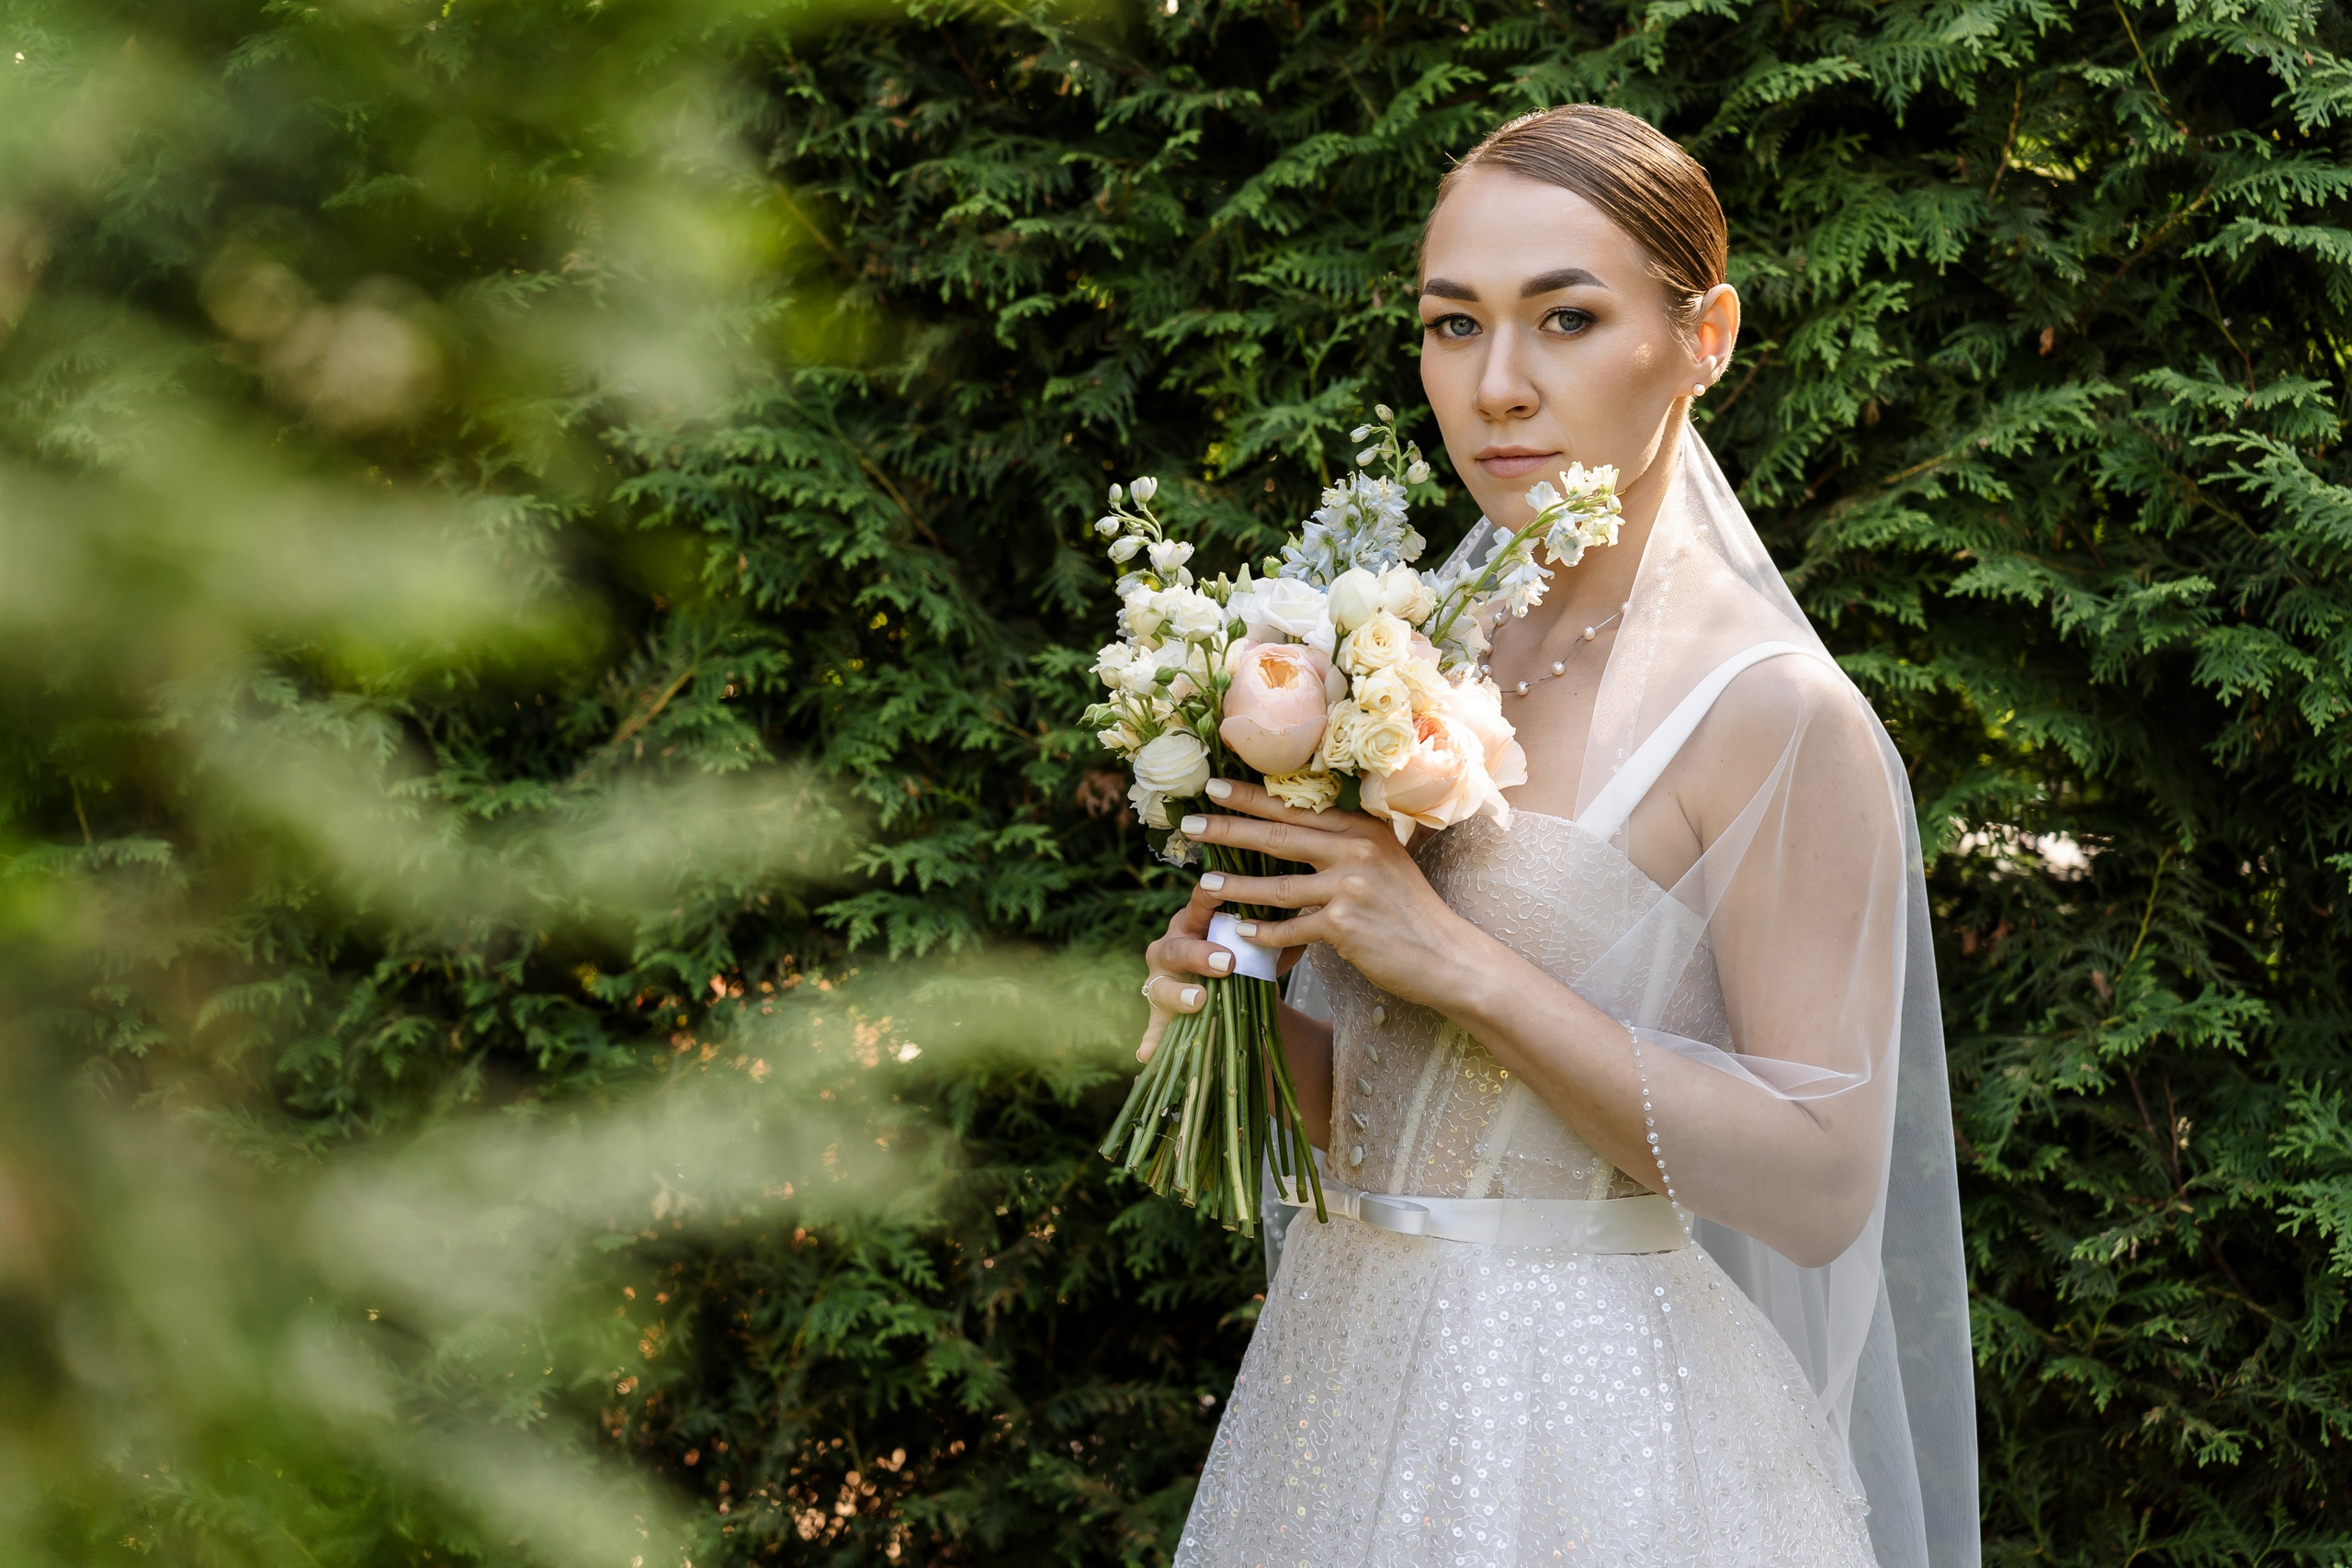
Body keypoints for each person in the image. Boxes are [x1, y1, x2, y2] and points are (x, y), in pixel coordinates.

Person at [1134, 106, 1977, 1568]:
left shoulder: (1774, 715)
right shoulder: (1409, 657)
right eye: (1453, 324)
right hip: (1340, 1397)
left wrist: (1451, 959)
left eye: (1567, 318)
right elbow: (1384, 1124)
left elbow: (1822, 1185)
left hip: (1601, 1440)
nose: (1498, 385)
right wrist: (1242, 1002)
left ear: (1704, 337)